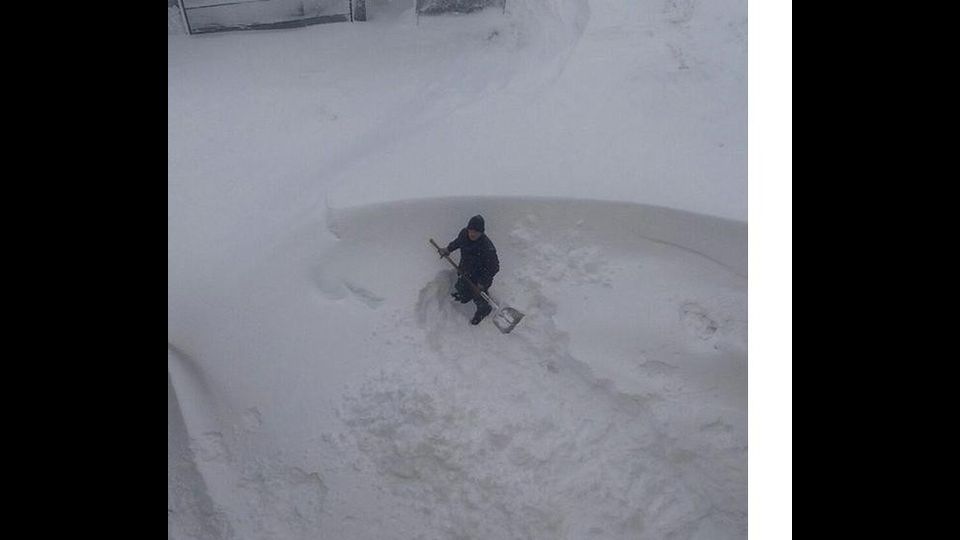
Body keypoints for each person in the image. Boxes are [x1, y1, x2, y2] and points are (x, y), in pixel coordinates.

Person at [438, 215, 500, 325]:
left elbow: (494, 267)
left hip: (481, 276)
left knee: (478, 294)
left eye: (476, 232)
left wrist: (482, 283)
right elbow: (457, 242)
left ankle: (484, 309)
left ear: (481, 233)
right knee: (461, 289)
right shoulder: (464, 234)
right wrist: (448, 249)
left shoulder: (487, 247)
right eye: (470, 230)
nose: (472, 233)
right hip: (466, 270)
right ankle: (465, 296)